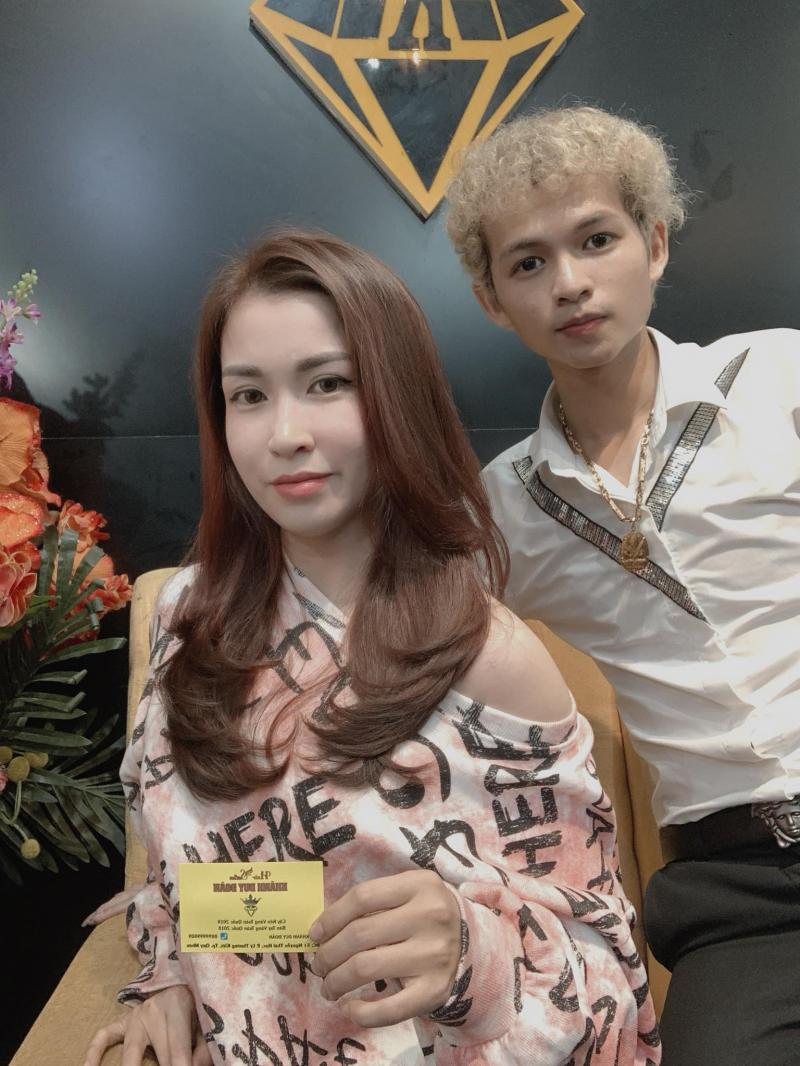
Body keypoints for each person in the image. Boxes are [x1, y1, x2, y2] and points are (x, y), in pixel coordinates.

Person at [84, 230, 659, 1065]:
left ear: (396, 393)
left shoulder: (486, 659)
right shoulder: (189, 619)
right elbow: (200, 879)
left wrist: (473, 957)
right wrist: (173, 972)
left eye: (328, 383)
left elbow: (606, 981)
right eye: (248, 395)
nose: (285, 433)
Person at [445, 105, 800, 1065]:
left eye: (596, 240)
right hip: (741, 902)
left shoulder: (779, 379)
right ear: (492, 300)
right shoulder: (501, 511)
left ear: (656, 242)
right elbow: (385, 663)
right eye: (528, 262)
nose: (570, 282)